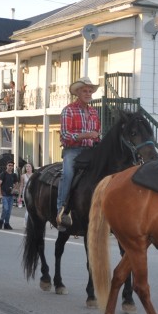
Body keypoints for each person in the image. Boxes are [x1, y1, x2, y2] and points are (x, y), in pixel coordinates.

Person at [55, 78, 100, 229]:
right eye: (84, 91)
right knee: (67, 174)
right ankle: (61, 211)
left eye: (90, 91)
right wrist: (85, 135)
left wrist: (97, 139)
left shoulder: (94, 112)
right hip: (73, 151)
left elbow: (97, 134)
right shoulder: (68, 110)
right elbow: (65, 136)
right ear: (78, 93)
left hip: (91, 151)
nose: (88, 94)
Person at [0, 161, 18, 230]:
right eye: (9, 165)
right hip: (4, 195)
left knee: (9, 211)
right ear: (6, 166)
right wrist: (0, 195)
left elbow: (17, 184)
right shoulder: (3, 174)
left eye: (12, 165)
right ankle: (1, 221)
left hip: (10, 195)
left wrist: (13, 189)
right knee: (5, 208)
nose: (10, 167)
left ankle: (6, 224)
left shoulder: (14, 175)